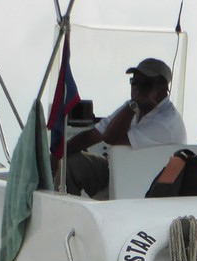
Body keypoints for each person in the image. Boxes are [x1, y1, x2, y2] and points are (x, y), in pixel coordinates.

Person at [63, 56, 187, 196]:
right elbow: (92, 135)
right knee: (70, 162)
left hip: (144, 186)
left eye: (145, 84)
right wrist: (57, 155)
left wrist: (133, 105)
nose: (138, 88)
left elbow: (111, 137)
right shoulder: (134, 106)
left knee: (94, 209)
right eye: (134, 82)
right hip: (120, 172)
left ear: (163, 88)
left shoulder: (166, 123)